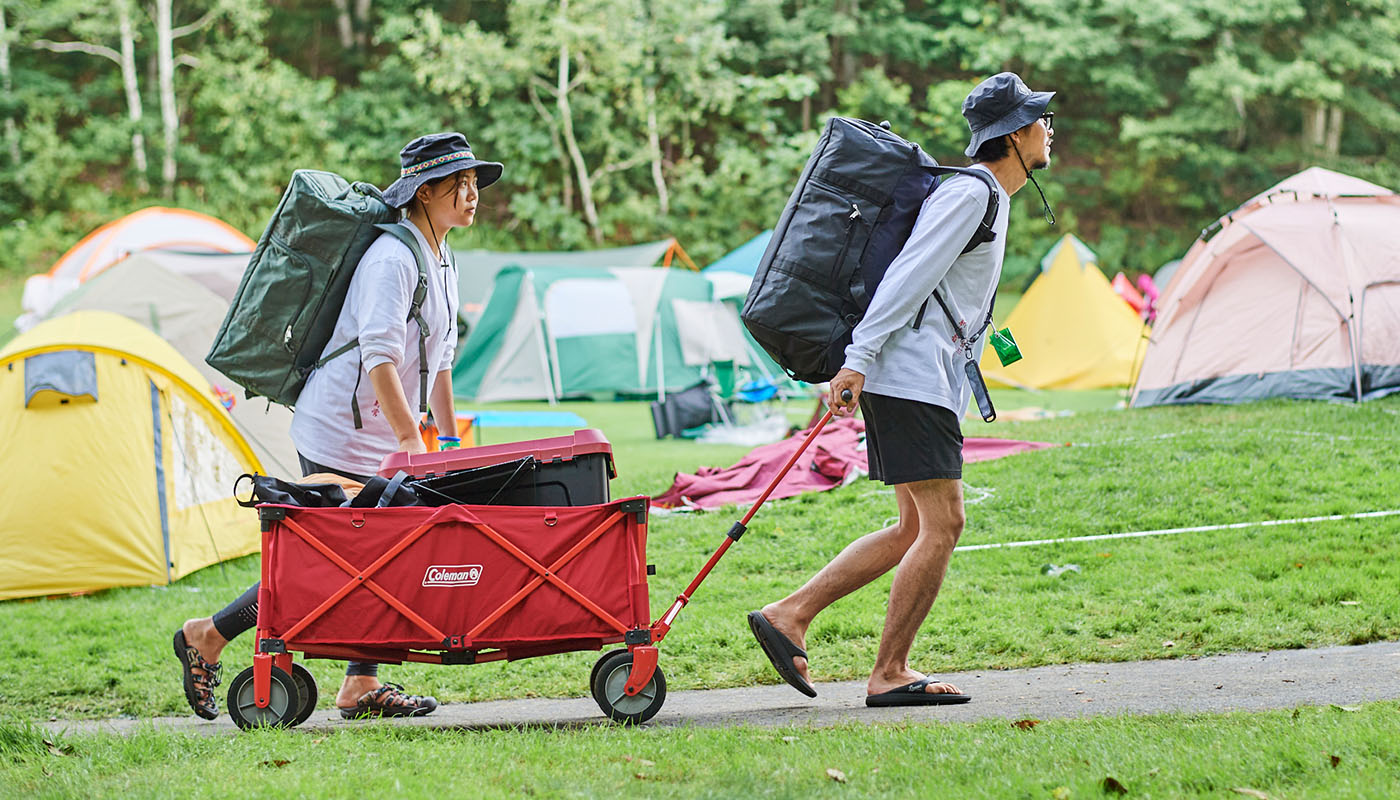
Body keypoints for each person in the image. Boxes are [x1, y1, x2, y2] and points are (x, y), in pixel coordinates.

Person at [747, 73, 1055, 706]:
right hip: (907, 376)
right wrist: (857, 359)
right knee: (945, 523)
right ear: (1018, 134)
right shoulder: (972, 195)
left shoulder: (983, 196)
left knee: (913, 527)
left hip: (916, 377)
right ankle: (890, 672)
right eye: (1040, 120)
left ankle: (789, 615)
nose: (1049, 129)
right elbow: (907, 279)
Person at [172, 132, 503, 720]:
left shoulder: (443, 256)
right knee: (323, 566)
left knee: (387, 558)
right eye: (462, 184)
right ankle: (208, 634)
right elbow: (377, 355)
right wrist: (409, 441)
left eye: (476, 183)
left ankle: (359, 684)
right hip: (340, 434)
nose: (474, 194)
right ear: (425, 193)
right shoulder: (392, 259)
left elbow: (443, 357)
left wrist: (447, 442)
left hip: (385, 436)